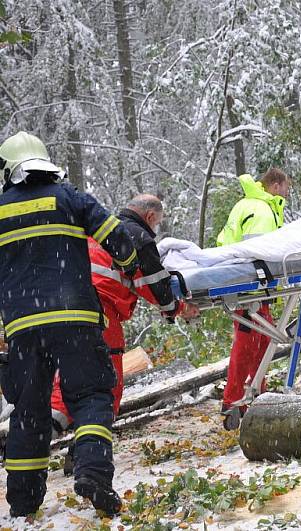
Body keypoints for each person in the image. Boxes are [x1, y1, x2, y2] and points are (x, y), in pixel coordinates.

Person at [0, 131, 138, 516]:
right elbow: (119, 239)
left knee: (29, 410)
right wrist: (127, 269)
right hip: (76, 319)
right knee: (92, 396)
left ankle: (24, 501)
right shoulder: (68, 196)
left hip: (23, 329)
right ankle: (92, 471)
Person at [50, 195, 199, 443]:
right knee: (106, 388)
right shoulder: (137, 238)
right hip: (100, 314)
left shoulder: (98, 227)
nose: (156, 228)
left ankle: (31, 446)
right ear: (150, 217)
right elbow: (155, 287)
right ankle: (87, 453)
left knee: (66, 381)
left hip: (64, 308)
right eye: (158, 223)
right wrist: (179, 308)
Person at [217, 168, 290, 429]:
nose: (287, 193)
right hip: (249, 284)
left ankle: (259, 393)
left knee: (261, 341)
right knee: (248, 343)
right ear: (276, 185)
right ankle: (234, 399)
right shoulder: (260, 210)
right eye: (286, 187)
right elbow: (259, 252)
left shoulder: (248, 204)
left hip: (243, 282)